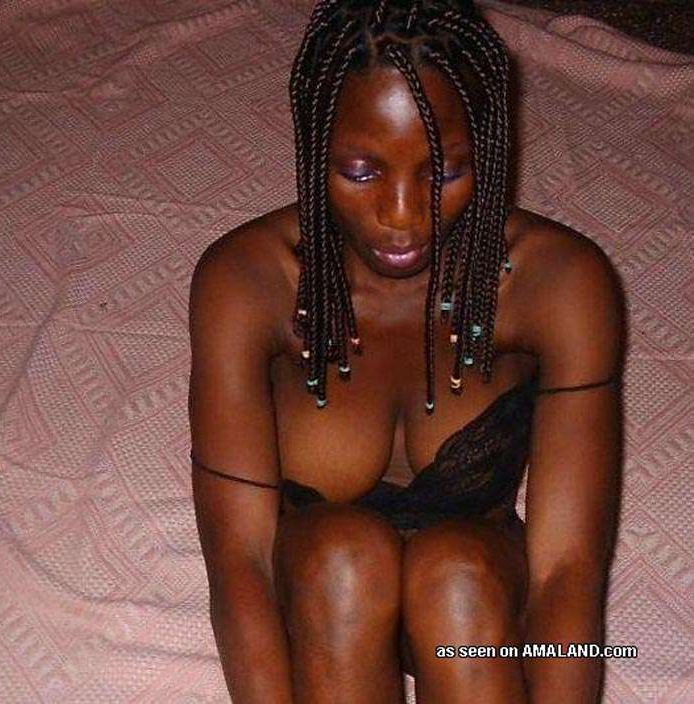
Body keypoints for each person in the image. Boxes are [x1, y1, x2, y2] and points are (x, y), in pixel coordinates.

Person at [187, 0, 624, 701]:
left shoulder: (558, 283)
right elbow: (241, 562)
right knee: (342, 561)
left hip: (477, 605)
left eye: (443, 172)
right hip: (320, 599)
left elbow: (566, 569)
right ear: (315, 149)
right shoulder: (247, 281)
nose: (402, 216)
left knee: (454, 576)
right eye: (362, 172)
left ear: (489, 149)